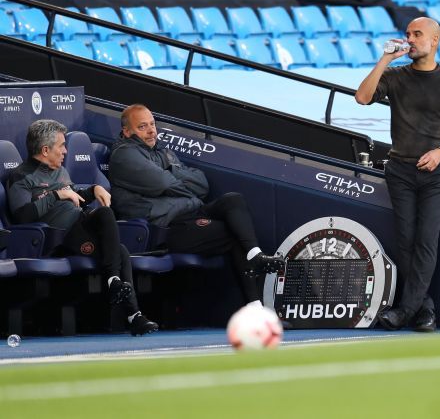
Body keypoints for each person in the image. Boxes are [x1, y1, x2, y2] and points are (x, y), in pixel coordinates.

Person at [355, 17, 440, 331]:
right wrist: (385, 59)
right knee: (406, 241)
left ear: (434, 40)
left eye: (417, 34)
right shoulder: (396, 76)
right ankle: (424, 310)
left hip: (438, 173)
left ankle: (404, 311)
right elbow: (363, 97)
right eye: (407, 34)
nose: (409, 39)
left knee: (426, 240)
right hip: (400, 170)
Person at [107, 104, 284, 304]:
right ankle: (255, 307)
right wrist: (175, 178)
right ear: (127, 131)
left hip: (191, 211)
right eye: (142, 127)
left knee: (233, 200)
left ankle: (255, 255)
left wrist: (171, 175)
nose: (151, 131)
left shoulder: (163, 153)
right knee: (233, 232)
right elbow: (162, 183)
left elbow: (202, 184)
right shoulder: (124, 155)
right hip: (164, 227)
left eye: (152, 124)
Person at [6, 120, 158, 336]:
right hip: (58, 238)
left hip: (81, 225)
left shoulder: (60, 171)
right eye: (61, 146)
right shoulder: (21, 177)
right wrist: (57, 195)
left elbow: (75, 194)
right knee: (121, 252)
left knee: (105, 213)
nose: (66, 151)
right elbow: (22, 216)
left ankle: (119, 289)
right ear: (45, 150)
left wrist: (94, 189)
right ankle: (134, 315)